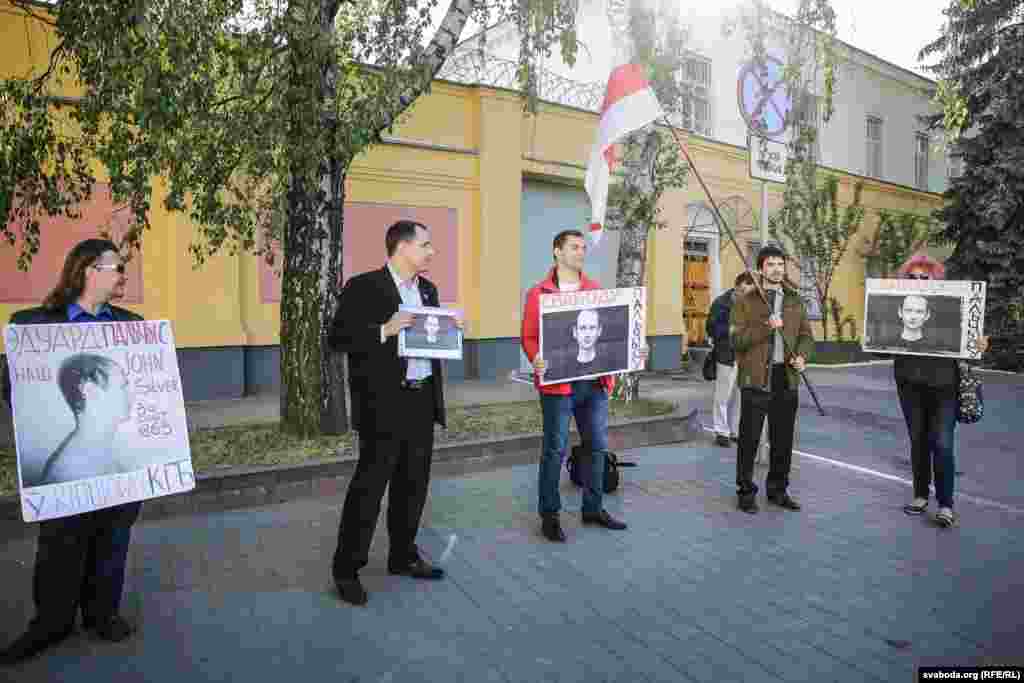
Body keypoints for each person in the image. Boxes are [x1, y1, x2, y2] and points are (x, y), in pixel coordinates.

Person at [1, 239, 142, 665]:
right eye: (116, 267)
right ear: (87, 271)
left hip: (119, 459)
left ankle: (102, 613)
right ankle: (51, 622)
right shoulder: (33, 325)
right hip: (70, 462)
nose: (122, 275)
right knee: (61, 541)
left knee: (114, 536)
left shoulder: (133, 326)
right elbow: (15, 388)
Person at [328, 220, 462, 606]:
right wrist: (384, 329)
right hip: (383, 404)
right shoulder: (364, 286)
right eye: (426, 244)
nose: (431, 252)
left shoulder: (427, 290)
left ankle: (402, 556)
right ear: (402, 248)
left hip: (420, 401)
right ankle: (347, 569)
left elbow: (430, 340)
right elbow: (338, 337)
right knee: (369, 487)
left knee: (413, 486)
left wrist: (452, 332)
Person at [521, 229, 646, 542]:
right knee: (555, 449)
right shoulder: (539, 293)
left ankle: (593, 508)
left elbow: (612, 334)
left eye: (583, 248)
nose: (581, 252)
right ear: (557, 251)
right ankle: (550, 515)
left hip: (594, 385)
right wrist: (536, 357)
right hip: (558, 388)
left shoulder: (595, 290)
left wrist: (635, 349)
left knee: (597, 448)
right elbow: (529, 336)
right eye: (574, 247)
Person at [890, 253, 988, 528]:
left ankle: (946, 504)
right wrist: (870, 338)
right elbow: (880, 344)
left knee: (942, 444)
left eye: (925, 276)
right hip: (909, 383)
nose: (919, 281)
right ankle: (920, 495)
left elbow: (971, 354)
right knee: (918, 440)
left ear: (936, 279)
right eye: (913, 276)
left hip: (945, 385)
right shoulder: (899, 308)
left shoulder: (953, 307)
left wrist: (978, 347)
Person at [731, 245, 814, 514]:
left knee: (783, 439)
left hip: (785, 377)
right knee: (749, 439)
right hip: (756, 377)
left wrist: (801, 356)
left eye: (780, 264)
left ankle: (778, 489)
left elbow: (806, 336)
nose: (777, 269)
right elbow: (736, 340)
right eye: (770, 264)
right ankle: (746, 491)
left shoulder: (795, 300)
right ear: (761, 268)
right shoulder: (746, 300)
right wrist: (766, 326)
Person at [705, 272, 757, 447]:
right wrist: (730, 329)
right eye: (742, 291)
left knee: (741, 395)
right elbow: (711, 329)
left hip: (746, 355)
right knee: (723, 395)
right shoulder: (721, 303)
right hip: (726, 354)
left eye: (749, 291)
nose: (745, 295)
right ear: (736, 287)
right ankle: (721, 431)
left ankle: (735, 430)